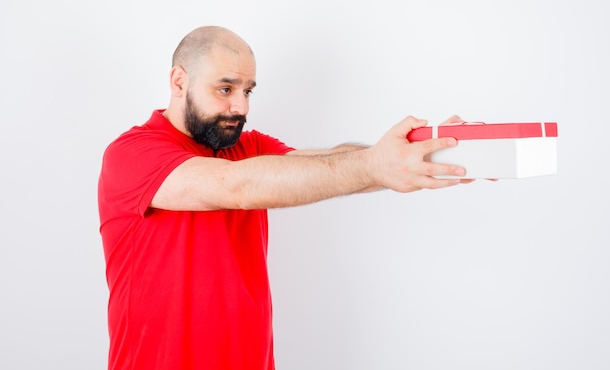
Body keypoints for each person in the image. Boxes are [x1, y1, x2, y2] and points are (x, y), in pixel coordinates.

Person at [97, 26, 472, 370]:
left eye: (247, 91)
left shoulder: (250, 147)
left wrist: (419, 154)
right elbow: (236, 187)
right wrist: (373, 165)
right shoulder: (132, 153)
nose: (240, 108)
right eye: (225, 89)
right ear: (179, 82)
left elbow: (324, 167)